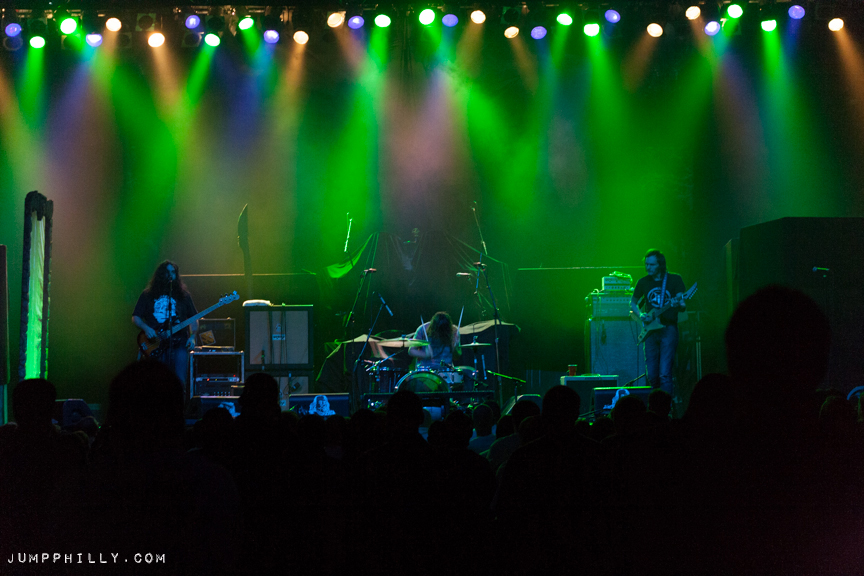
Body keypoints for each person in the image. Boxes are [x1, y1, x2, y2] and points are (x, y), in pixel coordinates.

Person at [132, 260, 198, 393]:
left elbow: (193, 319)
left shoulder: (184, 296)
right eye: (167, 272)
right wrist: (147, 328)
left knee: (179, 381)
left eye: (173, 272)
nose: (170, 275)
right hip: (155, 342)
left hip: (179, 343)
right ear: (161, 274)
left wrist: (192, 337)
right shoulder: (148, 295)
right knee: (156, 382)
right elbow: (136, 317)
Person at [630, 249, 686, 395]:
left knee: (664, 374)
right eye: (646, 264)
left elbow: (683, 304)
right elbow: (633, 303)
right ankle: (654, 404)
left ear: (660, 264)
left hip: (668, 329)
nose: (648, 267)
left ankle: (665, 406)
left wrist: (678, 303)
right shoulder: (643, 282)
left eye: (652, 264)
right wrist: (641, 314)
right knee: (652, 375)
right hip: (650, 331)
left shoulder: (674, 279)